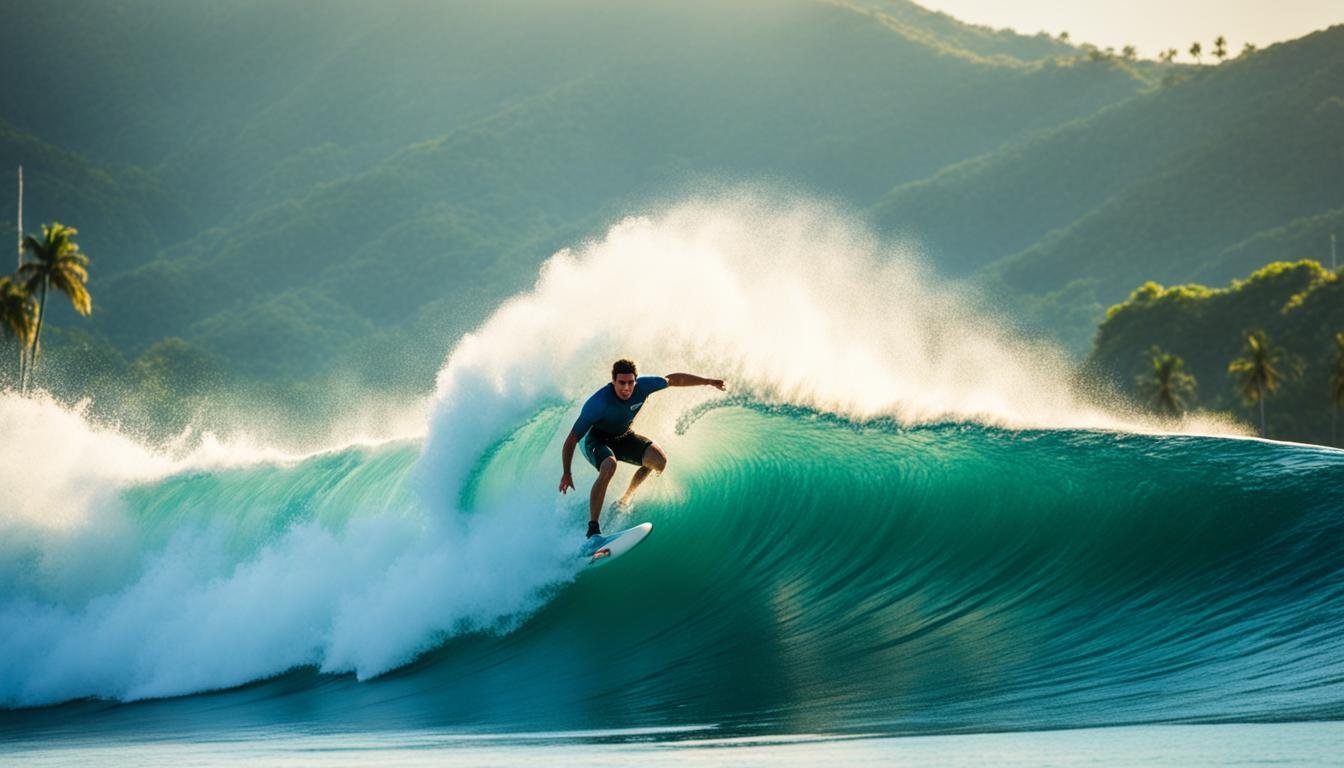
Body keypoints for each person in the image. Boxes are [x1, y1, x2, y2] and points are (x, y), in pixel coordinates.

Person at [559, 358, 725, 538]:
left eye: (630, 382)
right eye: (621, 383)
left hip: (623, 436)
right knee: (609, 466)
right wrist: (567, 473)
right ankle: (593, 531)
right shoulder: (598, 403)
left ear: (636, 381)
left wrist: (708, 381)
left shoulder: (645, 386)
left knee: (659, 461)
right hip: (595, 439)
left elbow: (674, 380)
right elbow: (571, 440)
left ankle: (626, 498)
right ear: (613, 381)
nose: (626, 388)